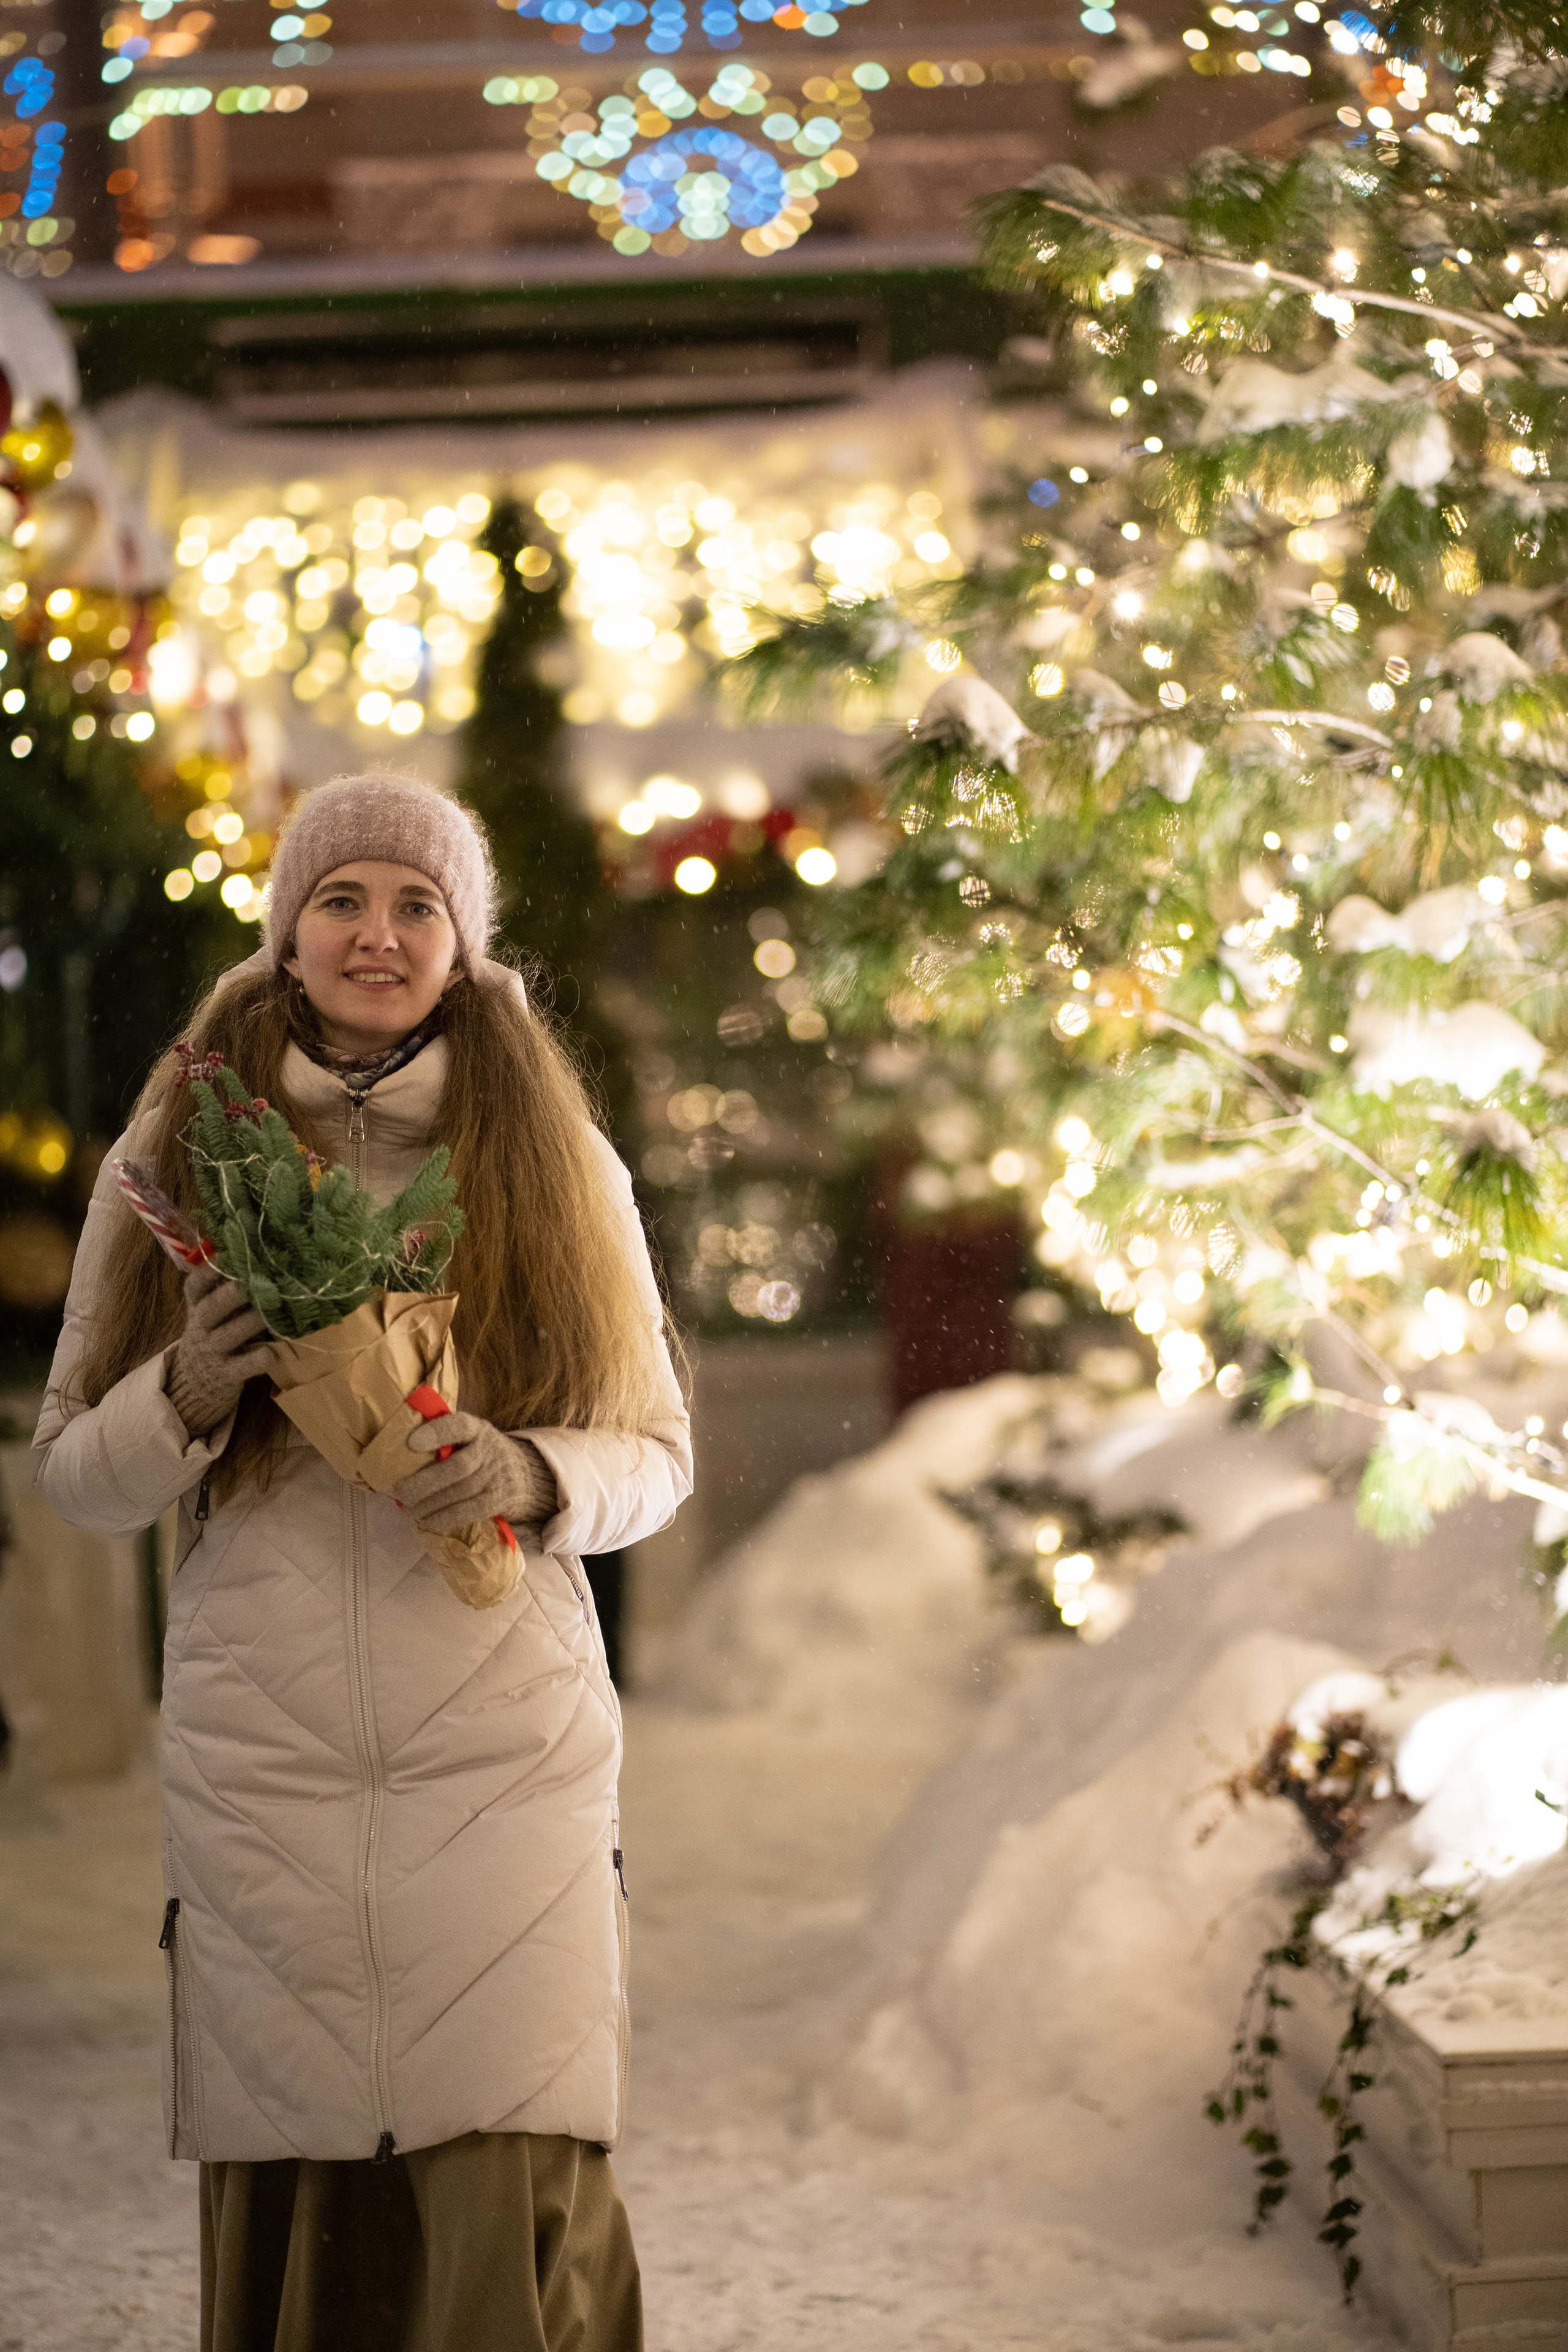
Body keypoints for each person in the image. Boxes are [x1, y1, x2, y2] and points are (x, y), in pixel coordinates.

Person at [32, 774, 692, 2352]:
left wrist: (532, 1470)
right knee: (302, 2183)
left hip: (501, 1742)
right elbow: (72, 1473)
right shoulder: (176, 1148)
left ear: (462, 945)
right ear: (286, 933)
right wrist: (188, 1387)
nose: (376, 934)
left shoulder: (554, 1158)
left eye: (416, 905)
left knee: (507, 2178)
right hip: (270, 1749)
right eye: (341, 900)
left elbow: (653, 1457)